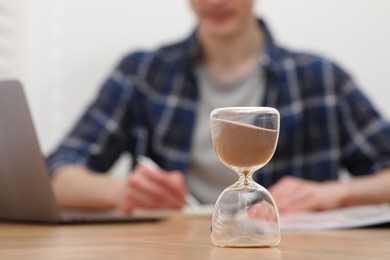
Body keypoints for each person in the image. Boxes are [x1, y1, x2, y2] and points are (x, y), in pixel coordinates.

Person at [47, 0, 390, 214]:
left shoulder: (321, 79)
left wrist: (335, 194)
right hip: (171, 249)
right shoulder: (142, 73)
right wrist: (122, 190)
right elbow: (57, 172)